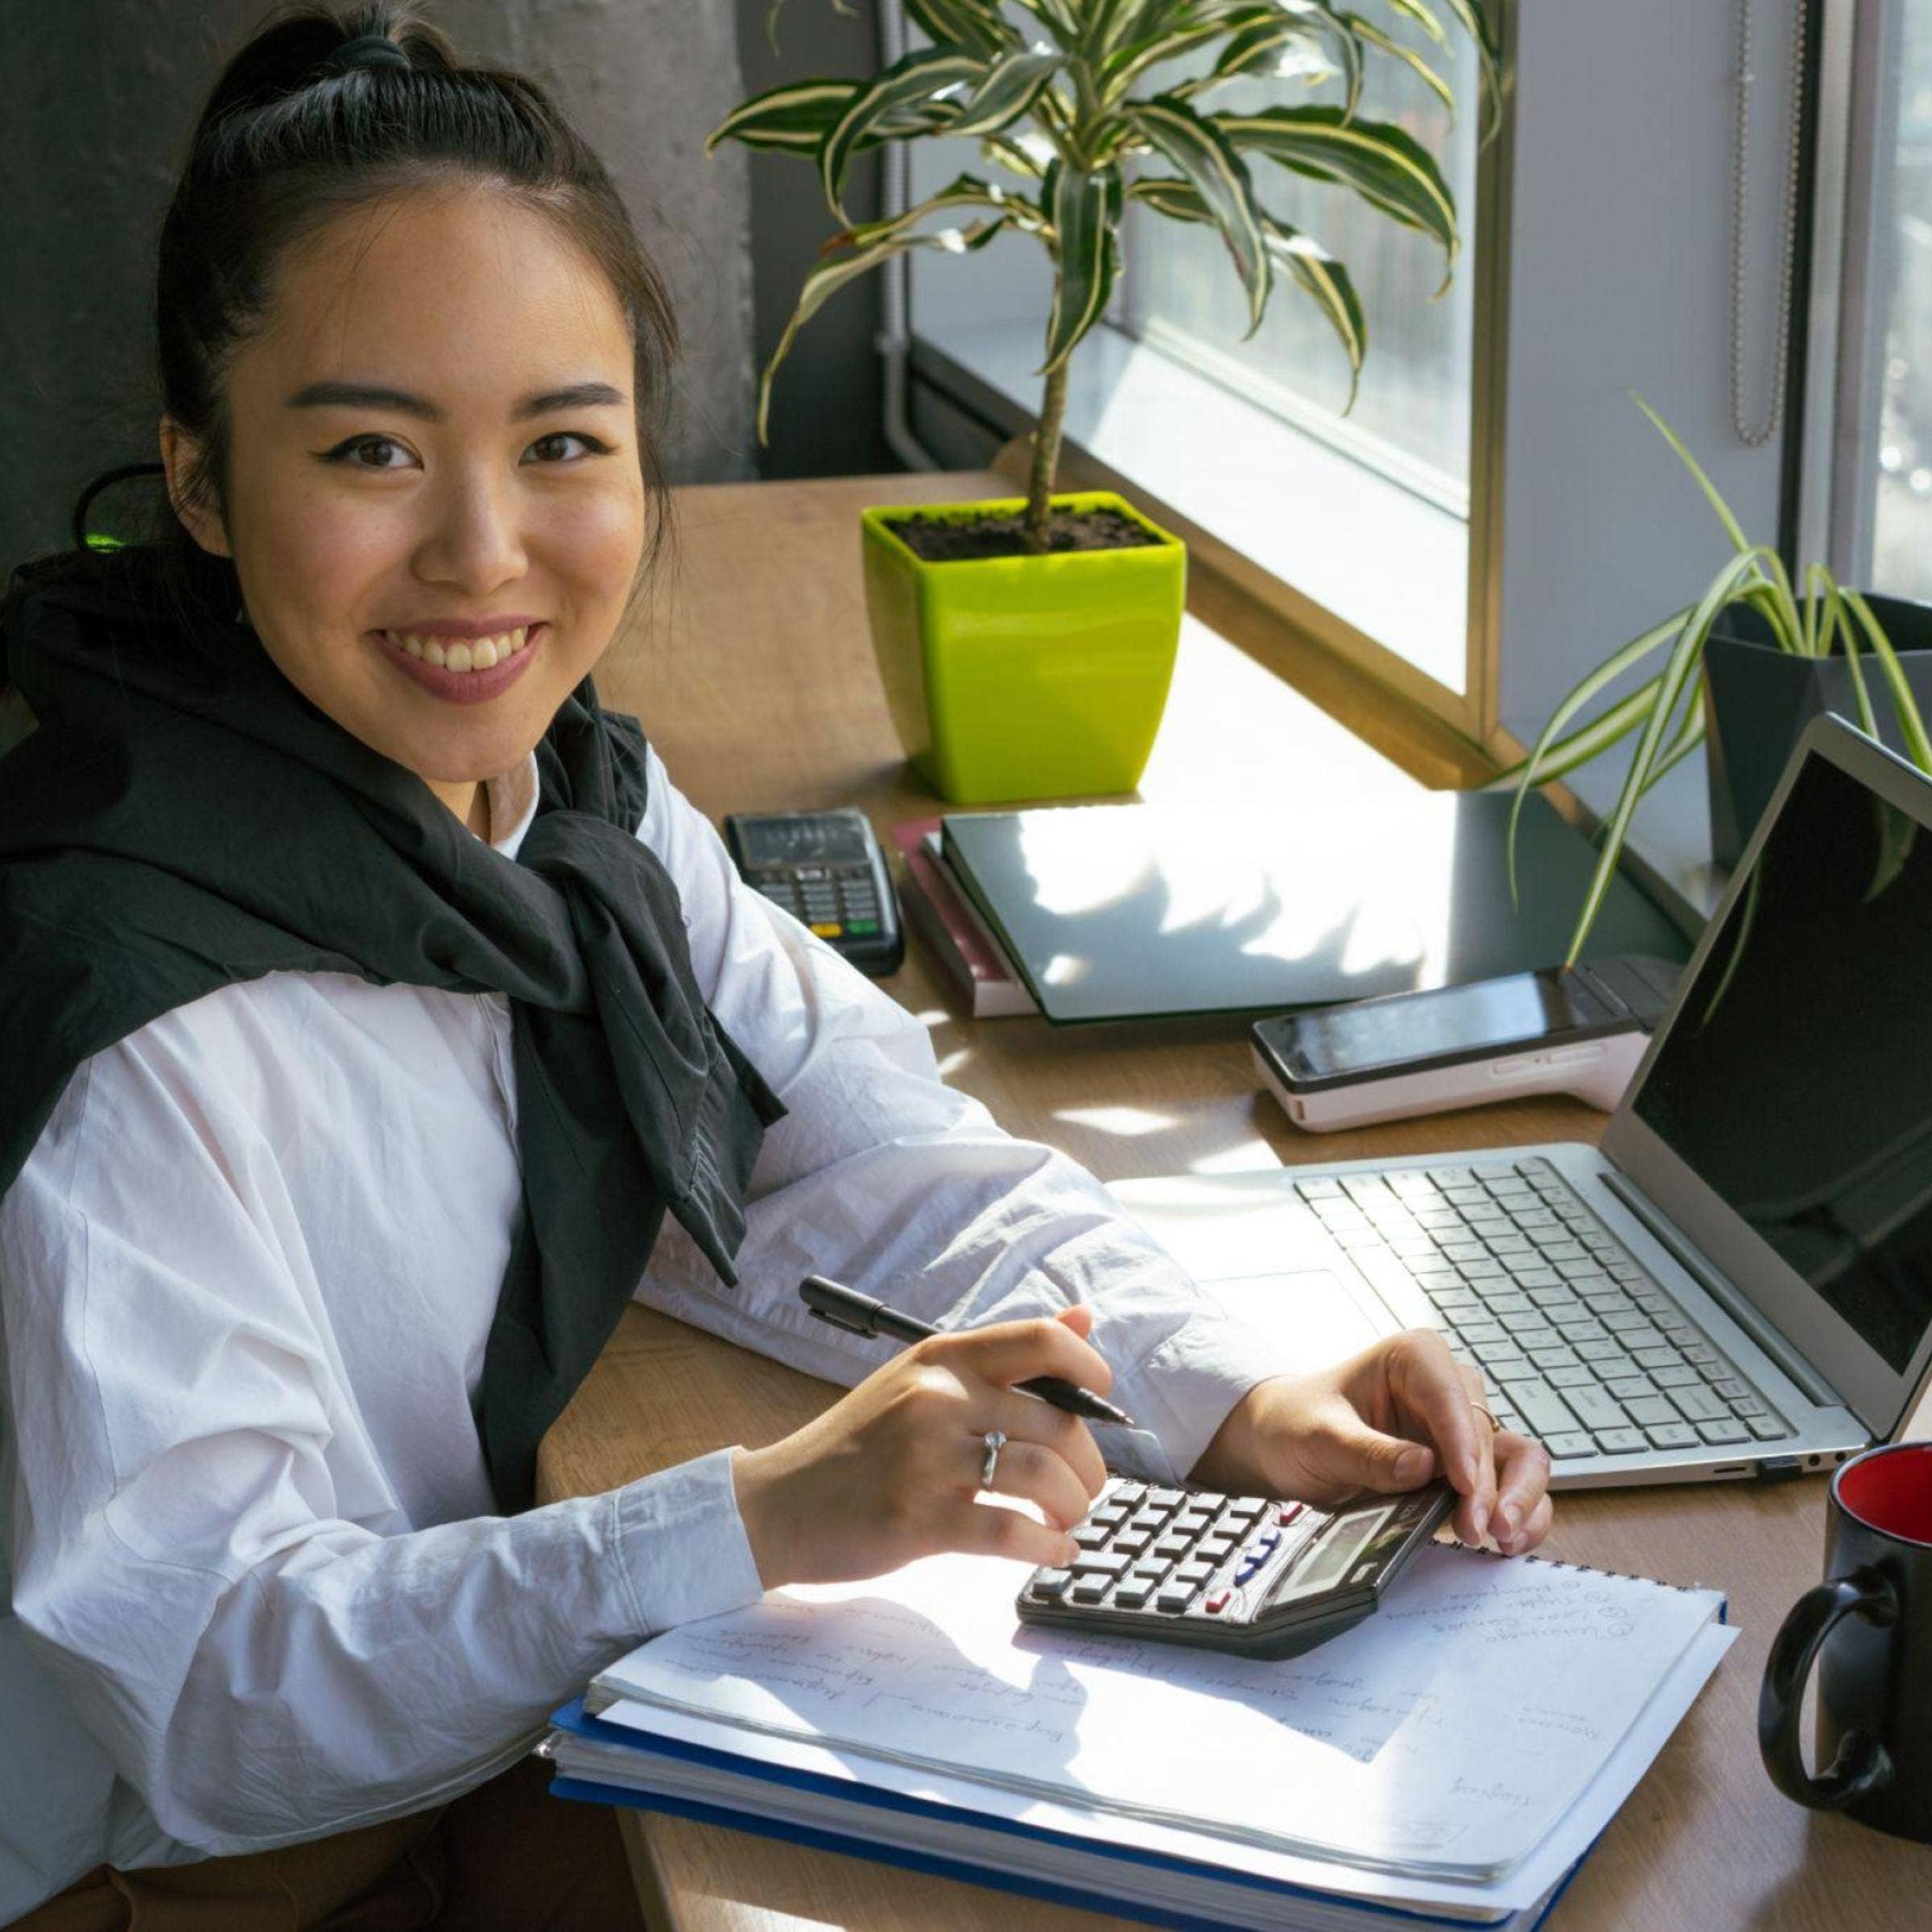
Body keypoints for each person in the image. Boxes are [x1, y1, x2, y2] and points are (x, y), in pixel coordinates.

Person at [0, 6, 1554, 1927]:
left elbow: (856, 1148)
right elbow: (208, 1697)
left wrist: (1231, 1387)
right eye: (374, 451)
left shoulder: (562, 816)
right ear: (204, 481)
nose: (484, 552)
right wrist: (758, 1516)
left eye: (562, 441)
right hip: (184, 1878)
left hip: (437, 1754)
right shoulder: (132, 1016)